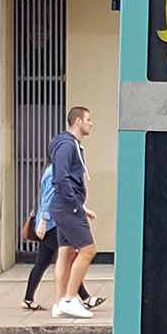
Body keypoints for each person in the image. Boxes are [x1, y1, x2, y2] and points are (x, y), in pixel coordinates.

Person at [21, 163, 105, 312]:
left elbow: (66, 196)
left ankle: (28, 299)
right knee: (68, 260)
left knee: (43, 262)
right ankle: (85, 298)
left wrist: (83, 209)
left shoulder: (52, 170)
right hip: (53, 224)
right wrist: (43, 222)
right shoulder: (55, 172)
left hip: (52, 222)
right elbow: (48, 198)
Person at [49, 106, 98, 319]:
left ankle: (60, 303)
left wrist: (81, 205)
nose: (91, 123)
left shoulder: (67, 144)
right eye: (88, 119)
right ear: (77, 121)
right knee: (88, 250)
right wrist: (75, 205)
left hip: (66, 205)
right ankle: (70, 299)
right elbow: (61, 177)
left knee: (66, 252)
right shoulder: (67, 146)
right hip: (67, 207)